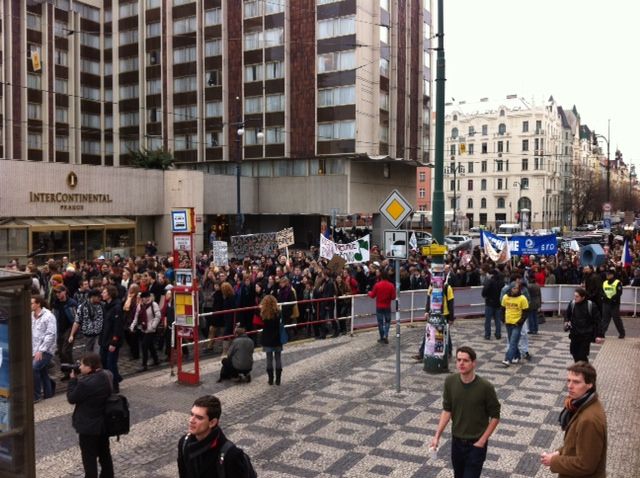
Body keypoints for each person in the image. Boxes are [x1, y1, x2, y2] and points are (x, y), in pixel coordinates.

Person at [431, 346, 501, 478]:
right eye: (458, 360)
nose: (461, 363)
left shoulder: (485, 387)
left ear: (474, 363)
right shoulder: (450, 382)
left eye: (465, 360)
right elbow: (447, 410)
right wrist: (437, 436)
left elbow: (495, 416)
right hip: (456, 443)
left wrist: (481, 441)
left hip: (476, 444)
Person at [541, 361, 607, 478]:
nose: (570, 386)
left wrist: (554, 461)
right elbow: (576, 443)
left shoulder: (589, 420)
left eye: (576, 382)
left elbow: (586, 465)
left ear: (590, 384)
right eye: (569, 380)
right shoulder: (583, 404)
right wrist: (559, 452)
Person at [67, 352, 114, 478]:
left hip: (89, 427)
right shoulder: (108, 375)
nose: (80, 367)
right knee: (105, 454)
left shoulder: (85, 383)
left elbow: (72, 398)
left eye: (82, 365)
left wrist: (72, 381)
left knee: (89, 459)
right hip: (104, 424)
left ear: (90, 366)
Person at [178, 395, 248, 478]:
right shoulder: (184, 443)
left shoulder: (230, 454)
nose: (191, 420)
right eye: (192, 414)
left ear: (212, 423)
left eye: (199, 418)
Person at [564, 287, 604, 362]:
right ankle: (581, 370)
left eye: (577, 296)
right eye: (574, 296)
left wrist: (599, 335)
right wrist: (566, 322)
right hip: (574, 334)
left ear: (583, 297)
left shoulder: (591, 305)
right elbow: (567, 314)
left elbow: (598, 321)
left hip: (586, 335)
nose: (575, 298)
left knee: (582, 355)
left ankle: (584, 371)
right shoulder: (572, 304)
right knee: (574, 353)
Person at [31, 296, 57, 402]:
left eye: (32, 303)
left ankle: (36, 395)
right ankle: (48, 393)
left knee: (34, 368)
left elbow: (51, 334)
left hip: (46, 350)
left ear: (38, 304)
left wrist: (41, 350)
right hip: (34, 349)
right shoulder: (31, 316)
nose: (30, 305)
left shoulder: (48, 316)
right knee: (43, 372)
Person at [100, 286, 125, 393]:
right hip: (104, 339)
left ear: (110, 294)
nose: (102, 294)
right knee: (104, 362)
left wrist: (114, 342)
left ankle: (114, 386)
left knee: (111, 363)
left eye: (104, 292)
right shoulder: (106, 306)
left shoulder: (116, 308)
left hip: (112, 341)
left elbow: (117, 327)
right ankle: (112, 380)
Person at [129, 291, 161, 371]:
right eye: (142, 298)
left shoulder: (154, 305)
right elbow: (136, 317)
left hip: (150, 330)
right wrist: (132, 326)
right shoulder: (140, 306)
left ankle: (144, 365)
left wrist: (153, 326)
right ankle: (156, 360)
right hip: (143, 328)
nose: (144, 299)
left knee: (144, 346)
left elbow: (158, 316)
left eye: (146, 297)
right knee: (150, 346)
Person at [500, 282, 529, 367]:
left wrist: (520, 322)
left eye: (517, 288)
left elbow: (525, 312)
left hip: (517, 323)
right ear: (510, 288)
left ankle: (507, 359)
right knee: (513, 341)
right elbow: (502, 309)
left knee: (512, 342)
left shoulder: (522, 298)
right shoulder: (505, 297)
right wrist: (503, 319)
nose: (516, 290)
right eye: (514, 288)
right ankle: (517, 356)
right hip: (508, 322)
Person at [69, 288, 105, 353]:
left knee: (97, 353)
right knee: (88, 353)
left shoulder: (102, 306)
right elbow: (77, 321)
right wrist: (72, 334)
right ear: (92, 296)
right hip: (87, 335)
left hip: (99, 335)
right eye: (98, 297)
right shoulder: (82, 307)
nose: (100, 298)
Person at [259, 295, 284, 385]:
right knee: (278, 358)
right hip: (277, 338)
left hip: (267, 338)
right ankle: (278, 379)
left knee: (269, 359)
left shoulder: (263, 313)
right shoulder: (279, 312)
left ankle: (270, 379)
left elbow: (259, 323)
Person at [367, 269, 396, 344]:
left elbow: (372, 295)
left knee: (380, 323)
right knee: (387, 321)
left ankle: (382, 337)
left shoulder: (377, 285)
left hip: (379, 306)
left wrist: (369, 292)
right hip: (387, 306)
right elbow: (393, 297)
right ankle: (386, 335)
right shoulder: (391, 285)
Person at [601, 268, 625, 339]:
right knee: (605, 319)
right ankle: (602, 333)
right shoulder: (604, 282)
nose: (607, 275)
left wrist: (612, 299)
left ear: (612, 275)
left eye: (608, 274)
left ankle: (622, 333)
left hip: (614, 303)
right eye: (606, 274)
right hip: (606, 303)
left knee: (616, 319)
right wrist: (605, 297)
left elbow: (619, 293)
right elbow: (602, 292)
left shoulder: (617, 282)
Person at [481, 269, 503, 340]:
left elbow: (484, 291)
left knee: (488, 320)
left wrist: (485, 296)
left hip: (489, 303)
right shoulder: (501, 282)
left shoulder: (489, 281)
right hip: (498, 303)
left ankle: (487, 334)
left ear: (491, 274)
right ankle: (498, 334)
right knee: (498, 320)